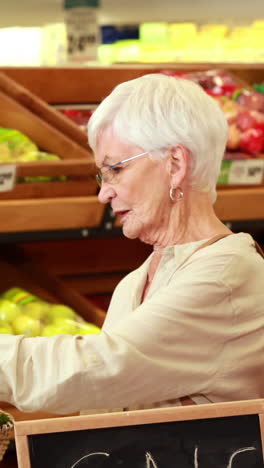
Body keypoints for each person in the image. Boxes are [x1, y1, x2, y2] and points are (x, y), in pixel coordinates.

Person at [0, 73, 263, 415]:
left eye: (114, 170)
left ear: (175, 164)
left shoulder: (227, 279)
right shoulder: (134, 283)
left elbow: (98, 368)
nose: (103, 192)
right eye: (101, 174)